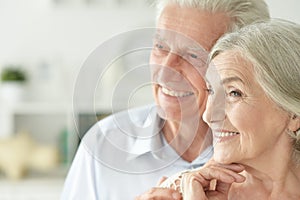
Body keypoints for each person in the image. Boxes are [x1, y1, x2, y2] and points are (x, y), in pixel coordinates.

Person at [61, 0, 270, 199]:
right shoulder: (102, 145)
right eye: (161, 46)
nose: (166, 71)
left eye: (193, 55)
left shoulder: (271, 158)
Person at [159, 19, 300, 199]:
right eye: (210, 91)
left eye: (234, 93)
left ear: (293, 115)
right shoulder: (180, 192)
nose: (208, 116)